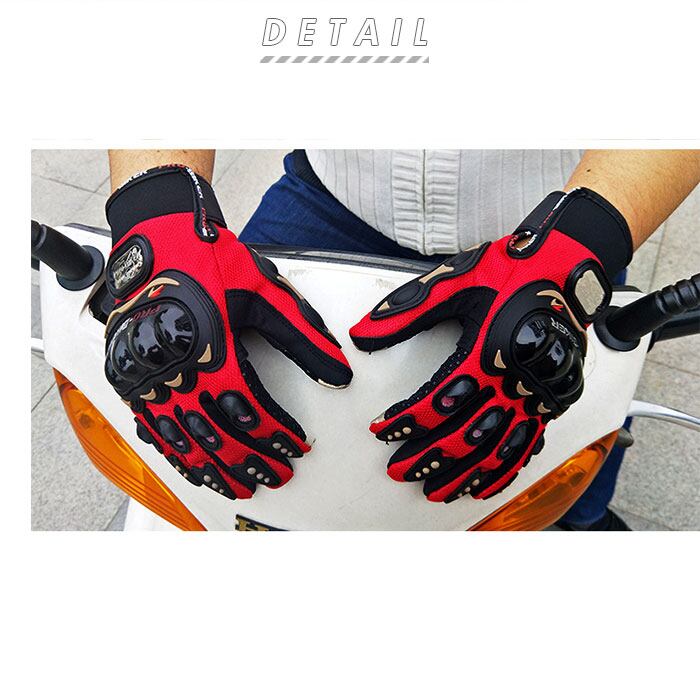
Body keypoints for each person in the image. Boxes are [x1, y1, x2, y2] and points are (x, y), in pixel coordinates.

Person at [105, 148, 700, 528]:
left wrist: (580, 244)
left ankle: (581, 520)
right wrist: (158, 227)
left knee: (572, 440)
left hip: (571, 219)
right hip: (332, 195)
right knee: (232, 447)